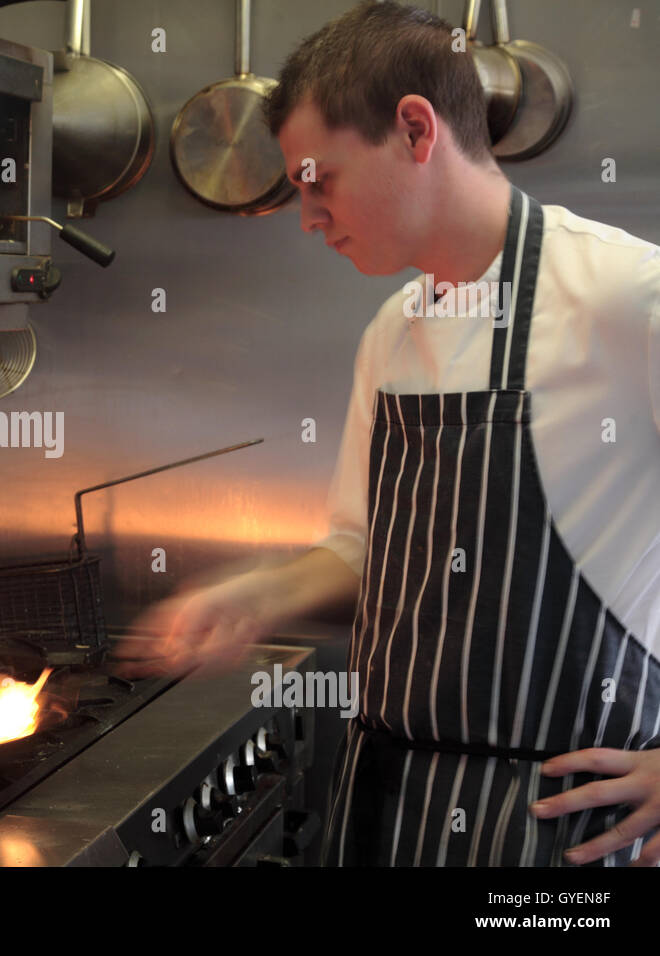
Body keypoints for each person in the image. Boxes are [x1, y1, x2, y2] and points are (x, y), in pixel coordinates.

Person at [114, 0, 660, 866]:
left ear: (414, 130)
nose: (307, 215)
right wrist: (252, 597)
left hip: (560, 831)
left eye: (317, 178)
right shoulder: (392, 331)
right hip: (388, 806)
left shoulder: (625, 300)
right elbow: (359, 547)